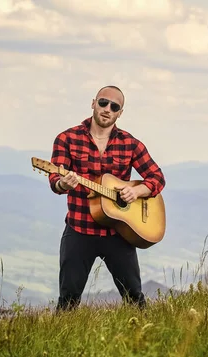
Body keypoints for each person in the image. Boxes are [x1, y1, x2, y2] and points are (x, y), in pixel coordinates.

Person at [47, 85, 166, 311]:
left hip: (118, 231)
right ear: (93, 103)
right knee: (68, 300)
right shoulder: (67, 139)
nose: (107, 109)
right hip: (79, 230)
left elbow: (157, 178)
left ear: (120, 113)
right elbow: (55, 180)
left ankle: (143, 340)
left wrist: (137, 191)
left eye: (114, 106)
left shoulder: (130, 144)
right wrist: (63, 182)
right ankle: (62, 342)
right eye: (103, 102)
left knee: (134, 298)